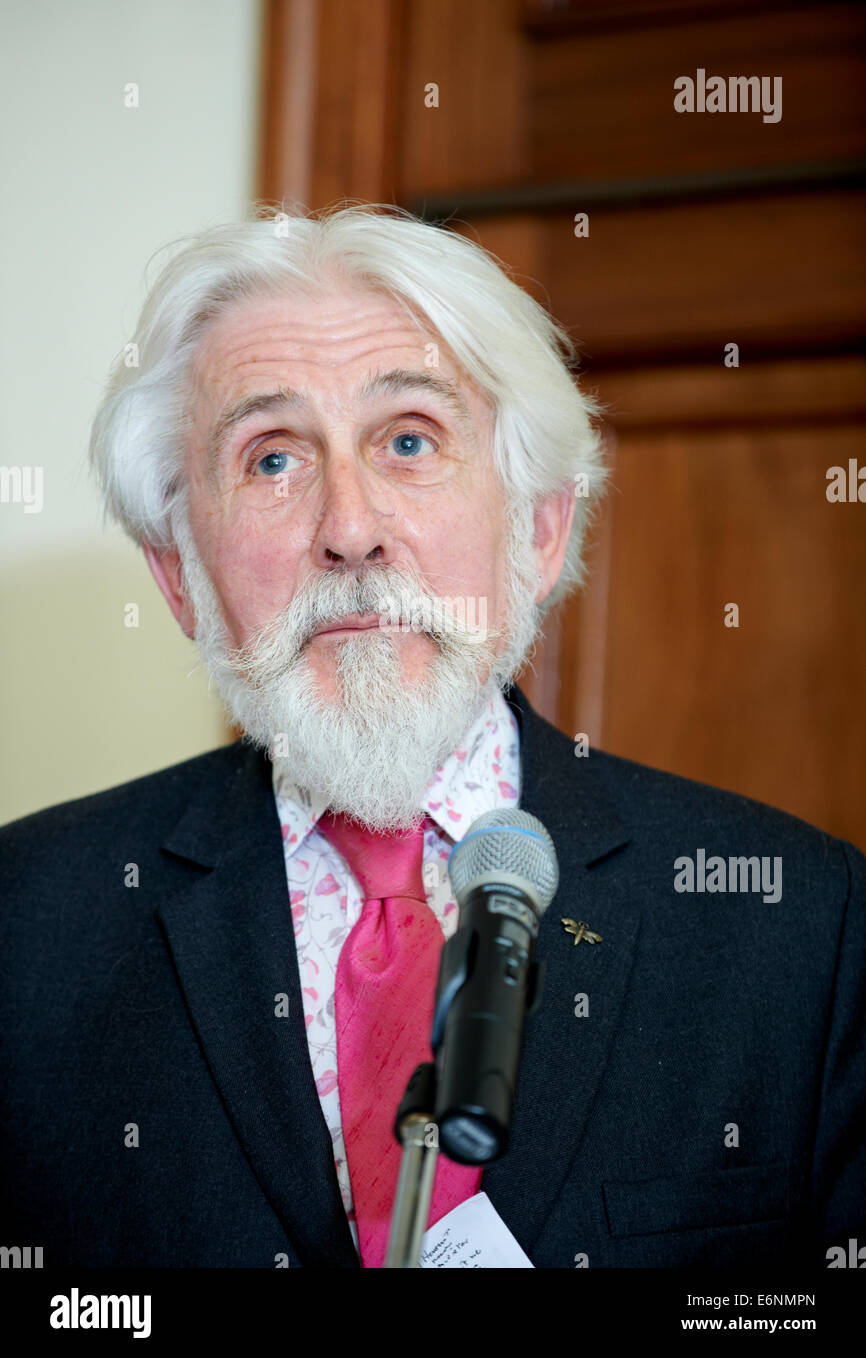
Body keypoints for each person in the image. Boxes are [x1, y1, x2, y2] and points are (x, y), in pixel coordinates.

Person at [1, 203, 863, 1269]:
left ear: (539, 529)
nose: (349, 526)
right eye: (271, 460)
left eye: (409, 440)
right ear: (179, 573)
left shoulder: (803, 927)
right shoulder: (23, 927)